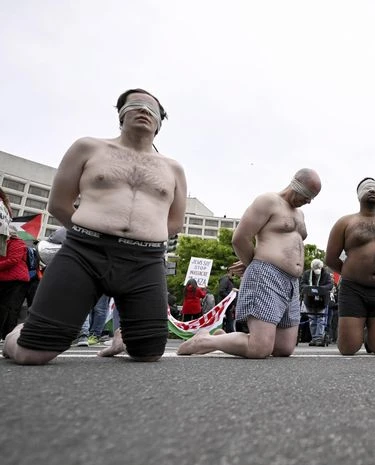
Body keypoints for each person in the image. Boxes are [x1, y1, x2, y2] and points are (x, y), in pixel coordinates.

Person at [4, 88, 187, 364]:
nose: (144, 110)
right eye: (135, 104)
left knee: (148, 353)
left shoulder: (173, 169)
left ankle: (120, 338)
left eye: (152, 108)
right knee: (33, 353)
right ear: (121, 114)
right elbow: (59, 204)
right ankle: (18, 334)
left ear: (160, 122)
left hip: (144, 261)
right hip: (85, 252)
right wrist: (90, 235)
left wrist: (143, 237)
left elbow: (174, 222)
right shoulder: (89, 148)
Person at [177, 168, 322, 358]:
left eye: (313, 197)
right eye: (307, 195)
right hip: (267, 274)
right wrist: (253, 263)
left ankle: (224, 339)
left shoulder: (300, 215)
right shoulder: (269, 201)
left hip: (292, 283)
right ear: (296, 185)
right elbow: (240, 238)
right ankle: (205, 339)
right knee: (259, 348)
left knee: (283, 348)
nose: (309, 201)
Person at [324, 177, 375, 356]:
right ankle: (358, 328)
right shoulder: (345, 222)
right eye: (367, 188)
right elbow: (330, 258)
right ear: (358, 195)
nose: (372, 190)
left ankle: (371, 332)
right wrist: (350, 272)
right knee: (348, 349)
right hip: (353, 289)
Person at [300, 258, 333, 346]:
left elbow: (330, 285)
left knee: (321, 319)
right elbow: (302, 284)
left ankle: (319, 337)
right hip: (310, 300)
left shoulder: (326, 274)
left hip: (322, 300)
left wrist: (321, 289)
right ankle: (314, 338)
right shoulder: (307, 274)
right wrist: (310, 288)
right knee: (312, 320)